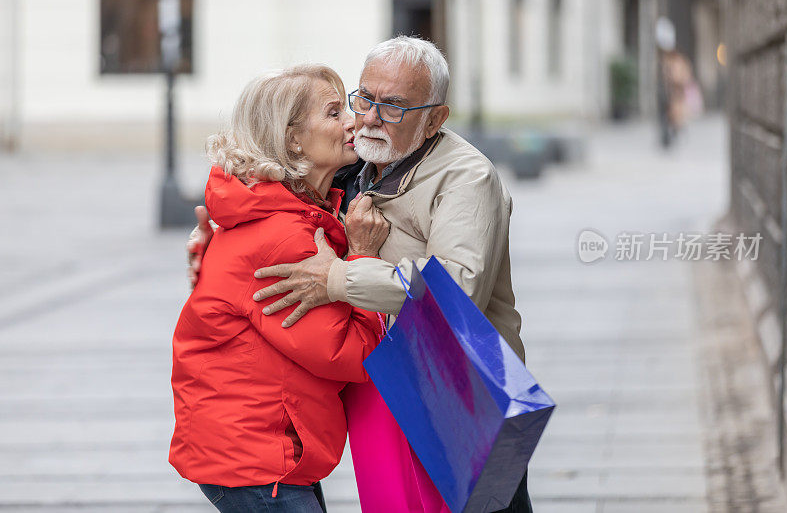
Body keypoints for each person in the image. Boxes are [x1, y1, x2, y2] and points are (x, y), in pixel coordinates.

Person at [189, 36, 532, 512]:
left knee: (490, 506)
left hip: (463, 386)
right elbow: (284, 204)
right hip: (391, 390)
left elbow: (456, 287)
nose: (367, 117)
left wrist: (341, 278)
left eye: (392, 106)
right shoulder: (359, 164)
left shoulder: (466, 177)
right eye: (364, 98)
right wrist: (219, 245)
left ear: (435, 118)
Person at [170, 64, 390, 513]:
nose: (352, 121)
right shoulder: (288, 237)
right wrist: (362, 262)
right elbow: (351, 355)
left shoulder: (288, 216)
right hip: (258, 460)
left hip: (259, 453)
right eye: (333, 113)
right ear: (292, 139)